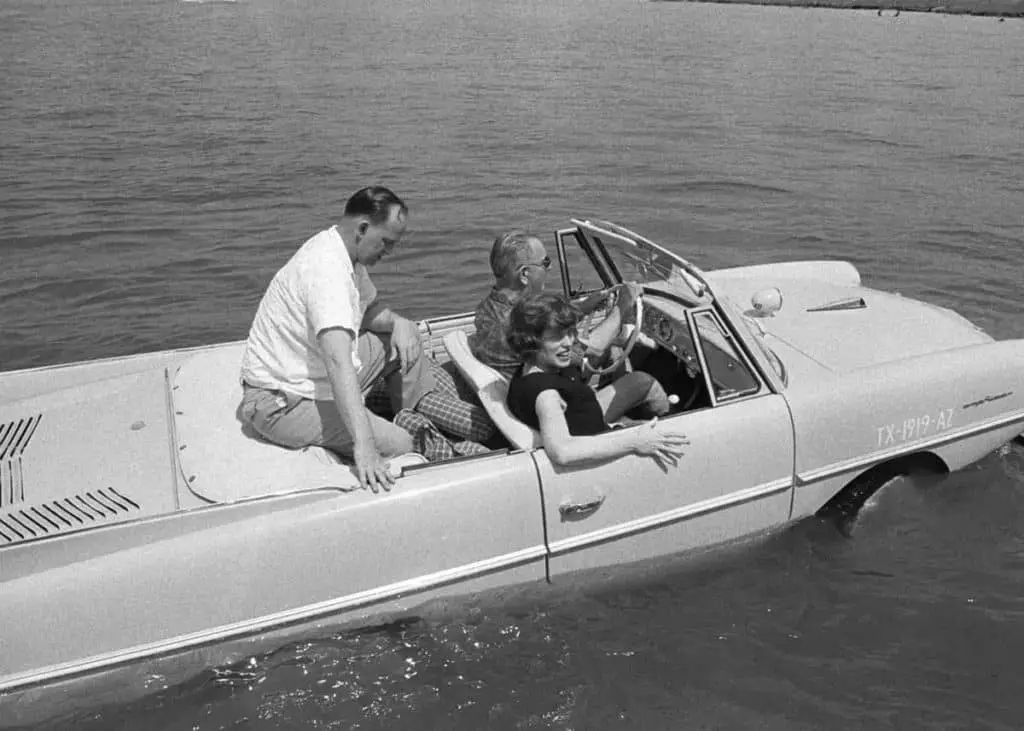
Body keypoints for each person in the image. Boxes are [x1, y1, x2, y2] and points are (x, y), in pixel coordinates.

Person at [239, 186, 488, 492]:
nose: (389, 252)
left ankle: (415, 410)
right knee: (400, 442)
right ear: (362, 228)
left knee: (403, 342)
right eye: (386, 242)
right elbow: (337, 361)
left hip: (311, 373)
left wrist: (400, 323)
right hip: (284, 402)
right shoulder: (327, 272)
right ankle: (411, 435)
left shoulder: (345, 252)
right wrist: (365, 445)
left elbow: (368, 312)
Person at [505, 293, 688, 468]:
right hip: (600, 440)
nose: (569, 342)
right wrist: (634, 441)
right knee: (685, 436)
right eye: (557, 337)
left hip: (590, 422)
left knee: (639, 380)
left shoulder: (532, 368)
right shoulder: (547, 396)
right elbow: (563, 452)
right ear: (531, 341)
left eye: (570, 332)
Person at [470, 229, 639, 380]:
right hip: (554, 394)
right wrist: (623, 305)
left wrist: (585, 307)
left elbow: (544, 319)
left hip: (529, 386)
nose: (549, 268)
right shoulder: (518, 327)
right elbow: (593, 349)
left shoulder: (488, 308)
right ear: (524, 274)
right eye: (545, 262)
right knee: (635, 375)